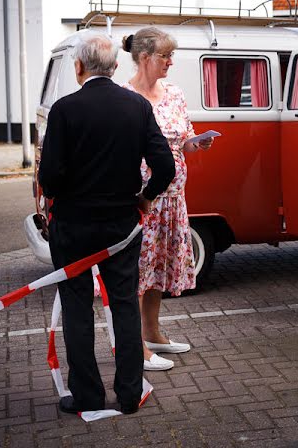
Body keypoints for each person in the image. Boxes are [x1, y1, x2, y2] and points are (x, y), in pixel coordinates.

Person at [39, 34, 174, 415]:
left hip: (74, 225)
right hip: (122, 225)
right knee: (125, 307)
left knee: (78, 309)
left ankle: (87, 395)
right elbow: (165, 165)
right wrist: (146, 196)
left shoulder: (64, 110)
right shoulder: (137, 106)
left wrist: (62, 196)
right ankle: (130, 393)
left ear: (79, 67)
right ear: (115, 67)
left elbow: (49, 175)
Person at [123, 27, 214, 372]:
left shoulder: (174, 94)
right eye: (165, 56)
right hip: (141, 199)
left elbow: (185, 139)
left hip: (174, 197)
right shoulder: (124, 96)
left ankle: (152, 332)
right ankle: (134, 347)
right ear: (145, 57)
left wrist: (197, 143)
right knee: (137, 271)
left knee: (158, 266)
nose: (171, 62)